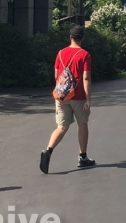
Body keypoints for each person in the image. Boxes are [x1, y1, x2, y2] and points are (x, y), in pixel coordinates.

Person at [40, 25, 95, 173]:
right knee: (82, 124)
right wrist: (88, 99)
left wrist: (62, 91)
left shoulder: (60, 53)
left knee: (61, 127)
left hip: (62, 96)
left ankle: (48, 150)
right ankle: (82, 157)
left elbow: (57, 75)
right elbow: (86, 78)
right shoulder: (85, 55)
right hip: (78, 96)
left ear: (70, 37)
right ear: (82, 38)